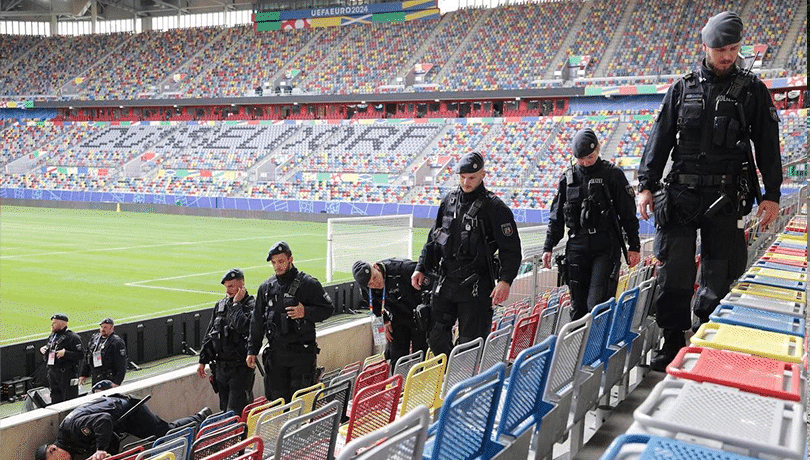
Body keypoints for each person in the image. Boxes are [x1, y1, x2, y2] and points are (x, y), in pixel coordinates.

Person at [636, 11, 782, 371]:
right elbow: (660, 139)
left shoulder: (752, 91)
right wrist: (645, 185)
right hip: (682, 197)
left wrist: (772, 194)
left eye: (733, 48)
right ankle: (672, 343)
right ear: (705, 47)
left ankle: (706, 341)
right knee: (675, 275)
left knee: (718, 276)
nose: (728, 56)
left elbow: (767, 145)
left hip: (726, 198)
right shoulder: (682, 88)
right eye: (721, 49)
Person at [411, 151, 522, 358]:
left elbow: (511, 249)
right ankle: (449, 377)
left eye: (471, 177)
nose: (466, 182)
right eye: (462, 177)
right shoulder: (449, 201)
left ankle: (464, 381)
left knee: (470, 346)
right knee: (435, 336)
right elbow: (433, 238)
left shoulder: (495, 208)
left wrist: (505, 280)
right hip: (447, 281)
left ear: (483, 175)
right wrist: (421, 267)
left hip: (476, 286)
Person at [542, 128, 641, 320]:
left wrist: (634, 245)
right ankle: (580, 350)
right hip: (577, 245)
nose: (586, 162)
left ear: (598, 149)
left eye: (590, 156)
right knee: (578, 308)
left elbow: (628, 214)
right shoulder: (568, 178)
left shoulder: (613, 175)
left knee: (597, 305)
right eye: (581, 158)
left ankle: (596, 348)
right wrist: (548, 246)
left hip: (605, 246)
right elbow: (556, 217)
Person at [246, 241, 334, 403]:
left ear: (290, 259)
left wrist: (305, 312)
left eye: (281, 261)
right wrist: (252, 350)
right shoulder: (265, 288)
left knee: (301, 403)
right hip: (276, 356)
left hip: (301, 356)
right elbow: (257, 321)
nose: (277, 266)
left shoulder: (308, 284)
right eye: (274, 263)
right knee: (277, 403)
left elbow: (328, 309)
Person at [35, 396, 211, 460]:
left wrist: (100, 450)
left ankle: (200, 417)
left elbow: (102, 420)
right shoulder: (69, 441)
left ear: (53, 449)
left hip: (129, 411)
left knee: (164, 432)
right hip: (117, 420)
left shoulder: (72, 429)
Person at [197, 268, 256, 414]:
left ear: (241, 285)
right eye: (226, 287)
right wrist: (202, 360)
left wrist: (236, 305)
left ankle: (243, 437)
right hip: (221, 370)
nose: (227, 290)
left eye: (231, 286)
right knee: (225, 409)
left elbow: (244, 327)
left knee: (237, 412)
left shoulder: (251, 305)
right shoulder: (221, 305)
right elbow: (211, 333)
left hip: (240, 369)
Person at [352, 258, 428, 365]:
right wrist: (385, 320)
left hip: (419, 315)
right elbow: (374, 305)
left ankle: (419, 378)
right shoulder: (366, 287)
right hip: (398, 316)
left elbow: (432, 284)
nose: (375, 283)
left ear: (376, 267)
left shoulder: (403, 269)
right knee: (396, 356)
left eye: (375, 277)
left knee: (420, 355)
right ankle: (399, 379)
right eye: (370, 284)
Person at [39, 314, 83, 404]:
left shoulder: (73, 338)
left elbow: (81, 355)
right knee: (55, 399)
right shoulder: (52, 336)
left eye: (54, 323)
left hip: (66, 374)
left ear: (61, 324)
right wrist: (45, 348)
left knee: (69, 400)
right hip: (53, 373)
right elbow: (51, 346)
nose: (52, 325)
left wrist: (66, 353)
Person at [78, 318, 127, 388]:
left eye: (105, 327)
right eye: (101, 327)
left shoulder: (117, 342)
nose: (102, 329)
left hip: (109, 378)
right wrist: (83, 374)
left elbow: (121, 364)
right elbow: (88, 356)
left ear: (111, 328)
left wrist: (117, 382)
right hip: (96, 376)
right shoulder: (95, 338)